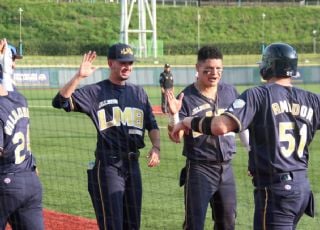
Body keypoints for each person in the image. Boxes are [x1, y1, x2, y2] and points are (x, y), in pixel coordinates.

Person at [170, 42, 320, 229]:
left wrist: (187, 121)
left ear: (268, 66)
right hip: (301, 190)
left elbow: (219, 126)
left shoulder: (257, 95)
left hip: (275, 191)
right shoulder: (313, 100)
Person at [51, 43, 160, 230]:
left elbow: (152, 124)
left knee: (133, 225)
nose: (127, 67)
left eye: (130, 63)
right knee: (113, 224)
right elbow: (59, 102)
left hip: (133, 165)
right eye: (122, 62)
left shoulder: (138, 93)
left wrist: (156, 147)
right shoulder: (95, 92)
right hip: (108, 165)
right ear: (111, 63)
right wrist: (79, 77)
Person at [166, 45, 249, 230]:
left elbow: (242, 126)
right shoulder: (185, 97)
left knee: (228, 222)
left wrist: (252, 153)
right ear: (197, 68)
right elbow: (176, 136)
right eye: (208, 69)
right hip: (199, 169)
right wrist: (174, 115)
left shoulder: (230, 92)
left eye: (218, 69)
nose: (214, 73)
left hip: (226, 168)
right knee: (194, 224)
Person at [0, 39, 44, 229]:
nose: (14, 64)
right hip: (30, 180)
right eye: (11, 59)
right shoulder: (20, 98)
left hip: (6, 181)